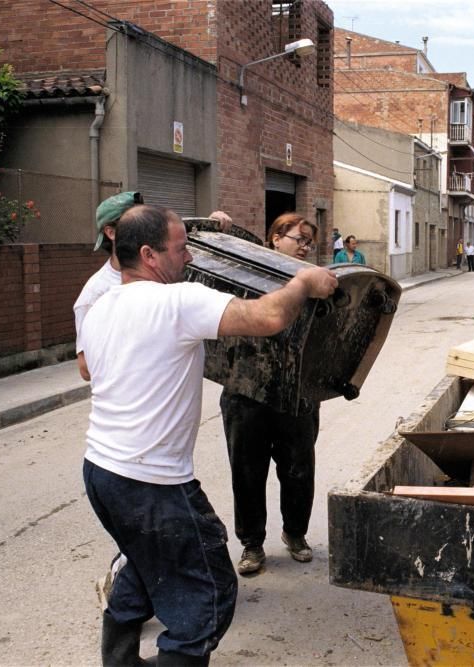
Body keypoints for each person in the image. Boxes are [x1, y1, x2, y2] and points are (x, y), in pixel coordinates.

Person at [81, 205, 337, 666]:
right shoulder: (176, 301)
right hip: (152, 484)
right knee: (209, 592)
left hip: (101, 472)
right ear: (148, 255)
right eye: (181, 250)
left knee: (143, 564)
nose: (191, 259)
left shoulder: (102, 306)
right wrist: (302, 282)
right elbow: (269, 317)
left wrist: (216, 227)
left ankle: (120, 661)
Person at [219, 212, 327, 578]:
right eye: (299, 238)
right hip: (245, 391)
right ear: (276, 238)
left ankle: (295, 534)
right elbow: (231, 245)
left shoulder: (314, 282)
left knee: (298, 469)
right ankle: (252, 544)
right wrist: (225, 225)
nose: (305, 247)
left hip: (296, 394)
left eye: (310, 242)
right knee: (247, 472)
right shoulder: (248, 270)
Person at [73, 191, 142, 382]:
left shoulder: (158, 270)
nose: (145, 229)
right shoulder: (95, 293)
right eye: (134, 223)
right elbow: (86, 368)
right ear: (110, 232)